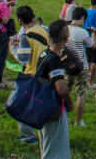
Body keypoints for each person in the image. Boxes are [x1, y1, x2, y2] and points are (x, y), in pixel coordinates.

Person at [11, 4, 49, 143]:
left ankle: (28, 136)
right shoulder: (44, 30)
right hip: (46, 73)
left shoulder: (25, 37)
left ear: (19, 21)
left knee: (20, 104)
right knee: (39, 105)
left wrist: (13, 49)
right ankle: (44, 135)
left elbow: (24, 60)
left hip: (31, 74)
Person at [37, 19, 73, 158]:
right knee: (55, 148)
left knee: (47, 143)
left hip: (41, 104)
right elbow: (61, 89)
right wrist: (69, 103)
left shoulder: (44, 54)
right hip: (52, 108)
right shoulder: (54, 60)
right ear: (66, 37)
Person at [67, 7, 95, 126]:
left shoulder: (65, 29)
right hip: (81, 66)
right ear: (82, 18)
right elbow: (92, 45)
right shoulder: (82, 32)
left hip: (67, 65)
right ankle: (78, 121)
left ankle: (64, 117)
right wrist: (93, 32)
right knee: (80, 93)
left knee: (64, 92)